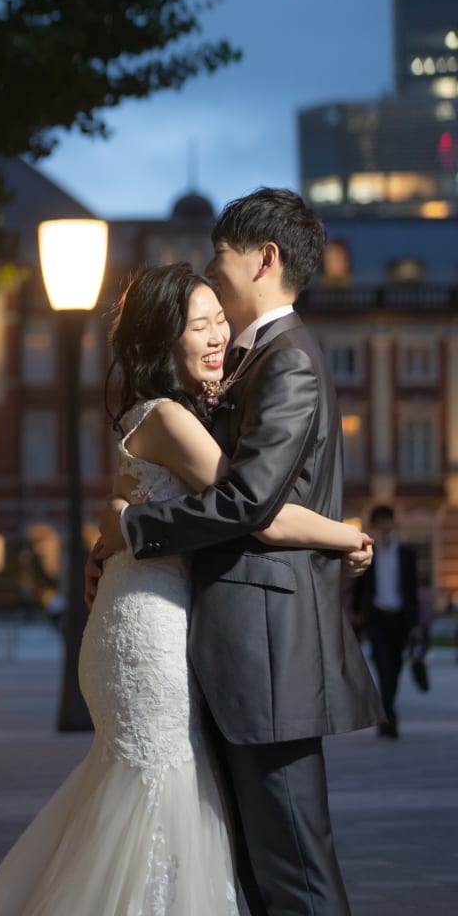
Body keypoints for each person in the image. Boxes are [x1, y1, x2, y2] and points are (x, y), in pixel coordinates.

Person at [0, 261, 371, 916]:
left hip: (151, 611)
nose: (215, 337)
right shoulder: (171, 419)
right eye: (197, 325)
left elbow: (126, 508)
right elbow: (255, 510)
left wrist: (111, 531)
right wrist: (348, 534)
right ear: (161, 342)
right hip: (147, 628)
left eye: (218, 321)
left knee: (151, 793)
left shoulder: (169, 415)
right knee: (159, 789)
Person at [88, 190, 384, 916]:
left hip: (269, 653)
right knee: (262, 868)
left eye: (221, 263)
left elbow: (248, 500)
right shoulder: (250, 365)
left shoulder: (288, 362)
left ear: (265, 259)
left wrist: (135, 528)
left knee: (295, 870)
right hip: (236, 649)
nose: (215, 281)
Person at [351, 504, 419, 738]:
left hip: (400, 619)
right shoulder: (370, 553)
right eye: (380, 523)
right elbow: (359, 586)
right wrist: (357, 612)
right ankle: (389, 717)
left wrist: (415, 624)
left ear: (393, 523)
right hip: (377, 618)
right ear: (374, 526)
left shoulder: (407, 554)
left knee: (396, 669)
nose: (385, 527)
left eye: (387, 521)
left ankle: (386, 715)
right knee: (384, 669)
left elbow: (412, 591)